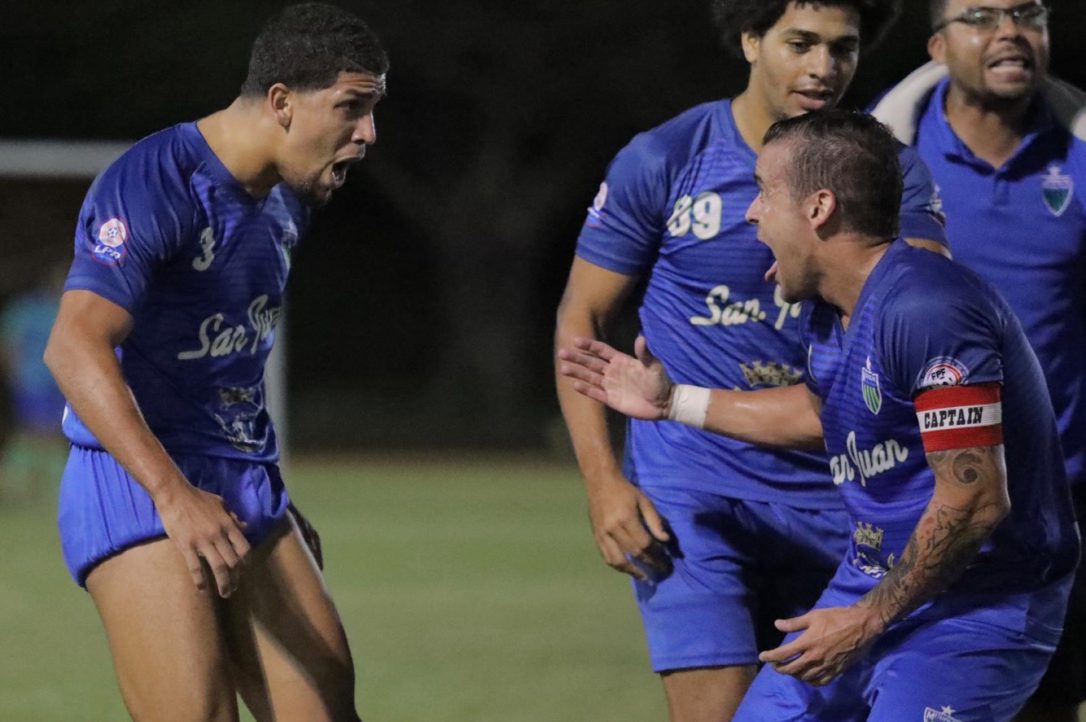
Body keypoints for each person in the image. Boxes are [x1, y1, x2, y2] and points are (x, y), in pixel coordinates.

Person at [560, 109, 1078, 722]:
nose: (751, 213)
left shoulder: (928, 308)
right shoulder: (831, 310)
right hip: (873, 584)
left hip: (977, 606)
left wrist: (867, 618)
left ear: (819, 208)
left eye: (764, 192)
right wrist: (674, 402)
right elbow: (821, 415)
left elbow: (975, 499)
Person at [553, 2, 945, 719]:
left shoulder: (888, 173)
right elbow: (582, 318)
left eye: (843, 48)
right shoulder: (667, 158)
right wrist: (603, 483)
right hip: (692, 492)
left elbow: (920, 317)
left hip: (840, 492)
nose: (823, 68)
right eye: (801, 43)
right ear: (751, 41)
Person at [43, 4, 387, 721]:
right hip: (138, 479)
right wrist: (173, 494)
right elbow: (73, 346)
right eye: (351, 107)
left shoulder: (287, 202)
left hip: (241, 477)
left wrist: (268, 492)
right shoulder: (156, 181)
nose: (368, 133)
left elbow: (224, 361)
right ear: (283, 103)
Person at [869, 3, 1086, 719]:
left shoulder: (1081, 147)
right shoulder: (881, 155)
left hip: (1063, 504)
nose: (1010, 31)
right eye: (983, 15)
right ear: (937, 45)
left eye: (1027, 12)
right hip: (921, 500)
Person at [0, 262, 68, 502]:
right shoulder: (25, 309)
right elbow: (9, 346)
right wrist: (15, 376)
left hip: (56, 382)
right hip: (35, 380)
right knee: (36, 433)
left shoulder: (62, 308)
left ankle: (48, 486)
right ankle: (19, 482)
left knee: (55, 433)